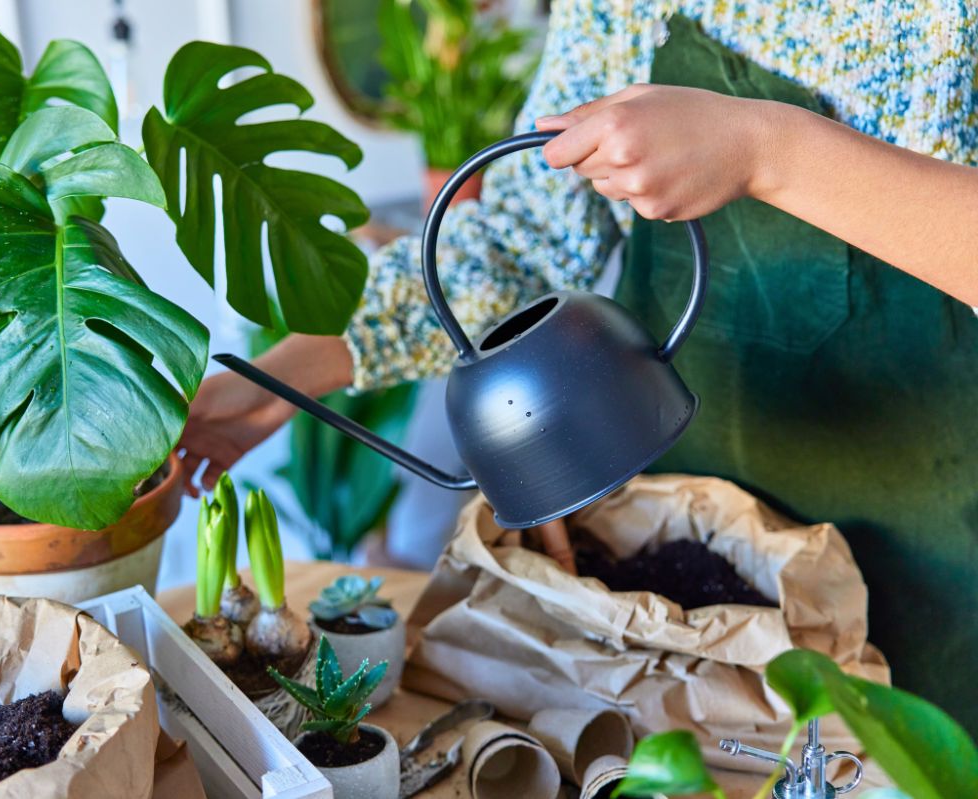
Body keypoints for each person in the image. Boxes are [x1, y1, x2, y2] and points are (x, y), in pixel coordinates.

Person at [179, 4, 978, 732]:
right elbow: (525, 236)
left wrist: (764, 150)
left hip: (943, 556)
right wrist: (279, 379)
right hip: (692, 517)